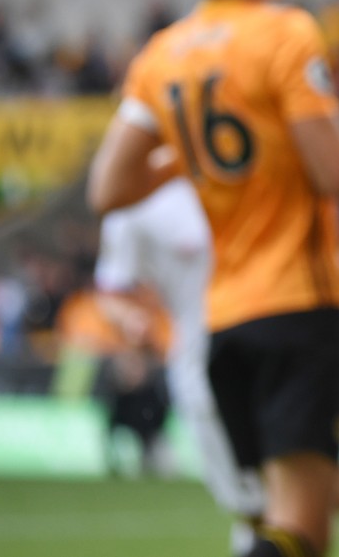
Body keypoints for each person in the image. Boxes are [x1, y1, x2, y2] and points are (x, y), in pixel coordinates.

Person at [87, 0, 339, 557]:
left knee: (302, 516)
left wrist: (182, 156)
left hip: (222, 319)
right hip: (297, 304)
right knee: (296, 527)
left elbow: (108, 186)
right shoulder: (284, 31)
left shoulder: (163, 54)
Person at [94, 176, 266, 556]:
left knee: (296, 501)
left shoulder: (245, 168)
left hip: (280, 352)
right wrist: (131, 323)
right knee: (254, 505)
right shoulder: (136, 198)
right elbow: (110, 292)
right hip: (204, 366)